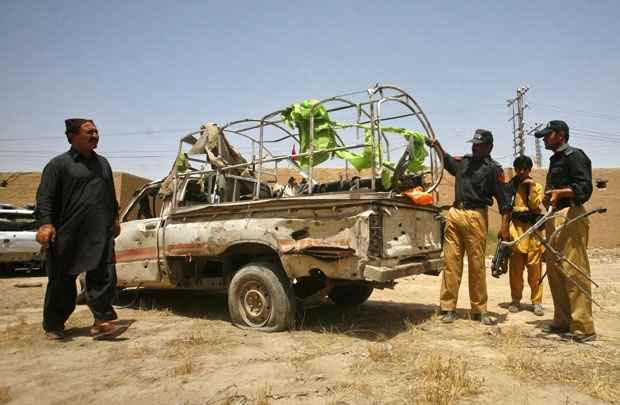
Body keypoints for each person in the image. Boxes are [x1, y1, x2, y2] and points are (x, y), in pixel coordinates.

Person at [35, 118, 128, 341]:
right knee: (62, 281)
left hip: (99, 231)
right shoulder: (58, 165)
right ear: (72, 136)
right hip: (68, 233)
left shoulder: (103, 163)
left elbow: (109, 195)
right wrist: (46, 224)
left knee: (104, 275)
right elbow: (45, 198)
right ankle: (54, 324)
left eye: (96, 131)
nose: (95, 135)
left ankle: (101, 322)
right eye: (89, 131)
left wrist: (114, 219)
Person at [428, 129, 511, 325]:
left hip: (476, 217)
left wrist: (505, 227)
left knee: (477, 265)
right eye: (473, 144)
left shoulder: (493, 169)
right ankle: (447, 308)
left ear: (489, 147)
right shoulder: (464, 162)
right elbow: (447, 161)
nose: (475, 147)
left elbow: (504, 201)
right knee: (451, 263)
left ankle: (479, 310)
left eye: (479, 145)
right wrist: (436, 145)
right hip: (455, 214)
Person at [535, 120, 595, 343]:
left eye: (547, 135)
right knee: (555, 269)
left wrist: (559, 193)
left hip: (570, 215)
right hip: (555, 216)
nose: (544, 139)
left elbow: (584, 188)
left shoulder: (575, 156)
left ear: (560, 135)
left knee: (574, 269)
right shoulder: (556, 159)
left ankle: (583, 327)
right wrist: (549, 196)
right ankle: (563, 320)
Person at [506, 155, 545, 316]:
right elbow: (507, 208)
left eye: (524, 169)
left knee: (535, 270)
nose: (521, 172)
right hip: (516, 232)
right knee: (515, 270)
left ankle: (537, 302)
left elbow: (536, 204)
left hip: (533, 233)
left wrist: (532, 187)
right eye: (518, 169)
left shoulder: (536, 186)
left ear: (529, 170)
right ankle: (516, 300)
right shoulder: (510, 187)